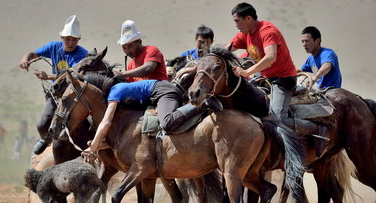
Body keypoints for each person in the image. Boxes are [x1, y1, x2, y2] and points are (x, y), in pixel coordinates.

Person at [226, 2, 328, 157]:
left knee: (277, 118)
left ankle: (315, 128)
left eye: (237, 21)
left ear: (248, 18)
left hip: (283, 79)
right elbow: (227, 50)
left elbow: (270, 57)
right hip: (263, 77)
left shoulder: (268, 31)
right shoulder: (244, 34)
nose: (236, 25)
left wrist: (247, 71)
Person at [81, 79, 223, 161]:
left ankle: (203, 103)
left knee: (167, 123)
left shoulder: (114, 92)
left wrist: (93, 147)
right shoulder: (117, 91)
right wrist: (96, 145)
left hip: (162, 91)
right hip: (159, 93)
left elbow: (106, 122)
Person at [19, 15, 88, 155]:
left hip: (74, 95)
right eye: (67, 39)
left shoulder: (82, 54)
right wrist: (25, 58)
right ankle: (46, 139)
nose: (70, 42)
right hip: (56, 94)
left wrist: (48, 76)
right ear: (62, 38)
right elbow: (33, 53)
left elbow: (72, 75)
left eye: (74, 39)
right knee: (42, 123)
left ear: (78, 40)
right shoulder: (53, 47)